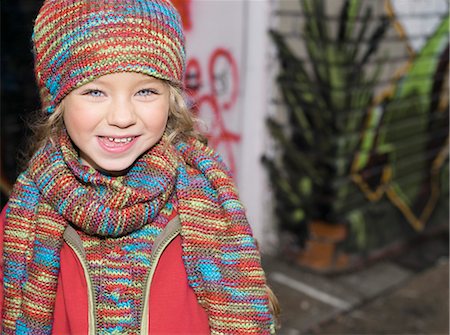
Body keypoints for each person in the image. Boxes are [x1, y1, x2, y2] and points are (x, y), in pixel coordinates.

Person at [0, 0, 279, 334]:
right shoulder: (22, 223)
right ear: (57, 102)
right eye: (95, 91)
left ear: (171, 98)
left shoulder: (213, 212)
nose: (122, 117)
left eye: (145, 91)